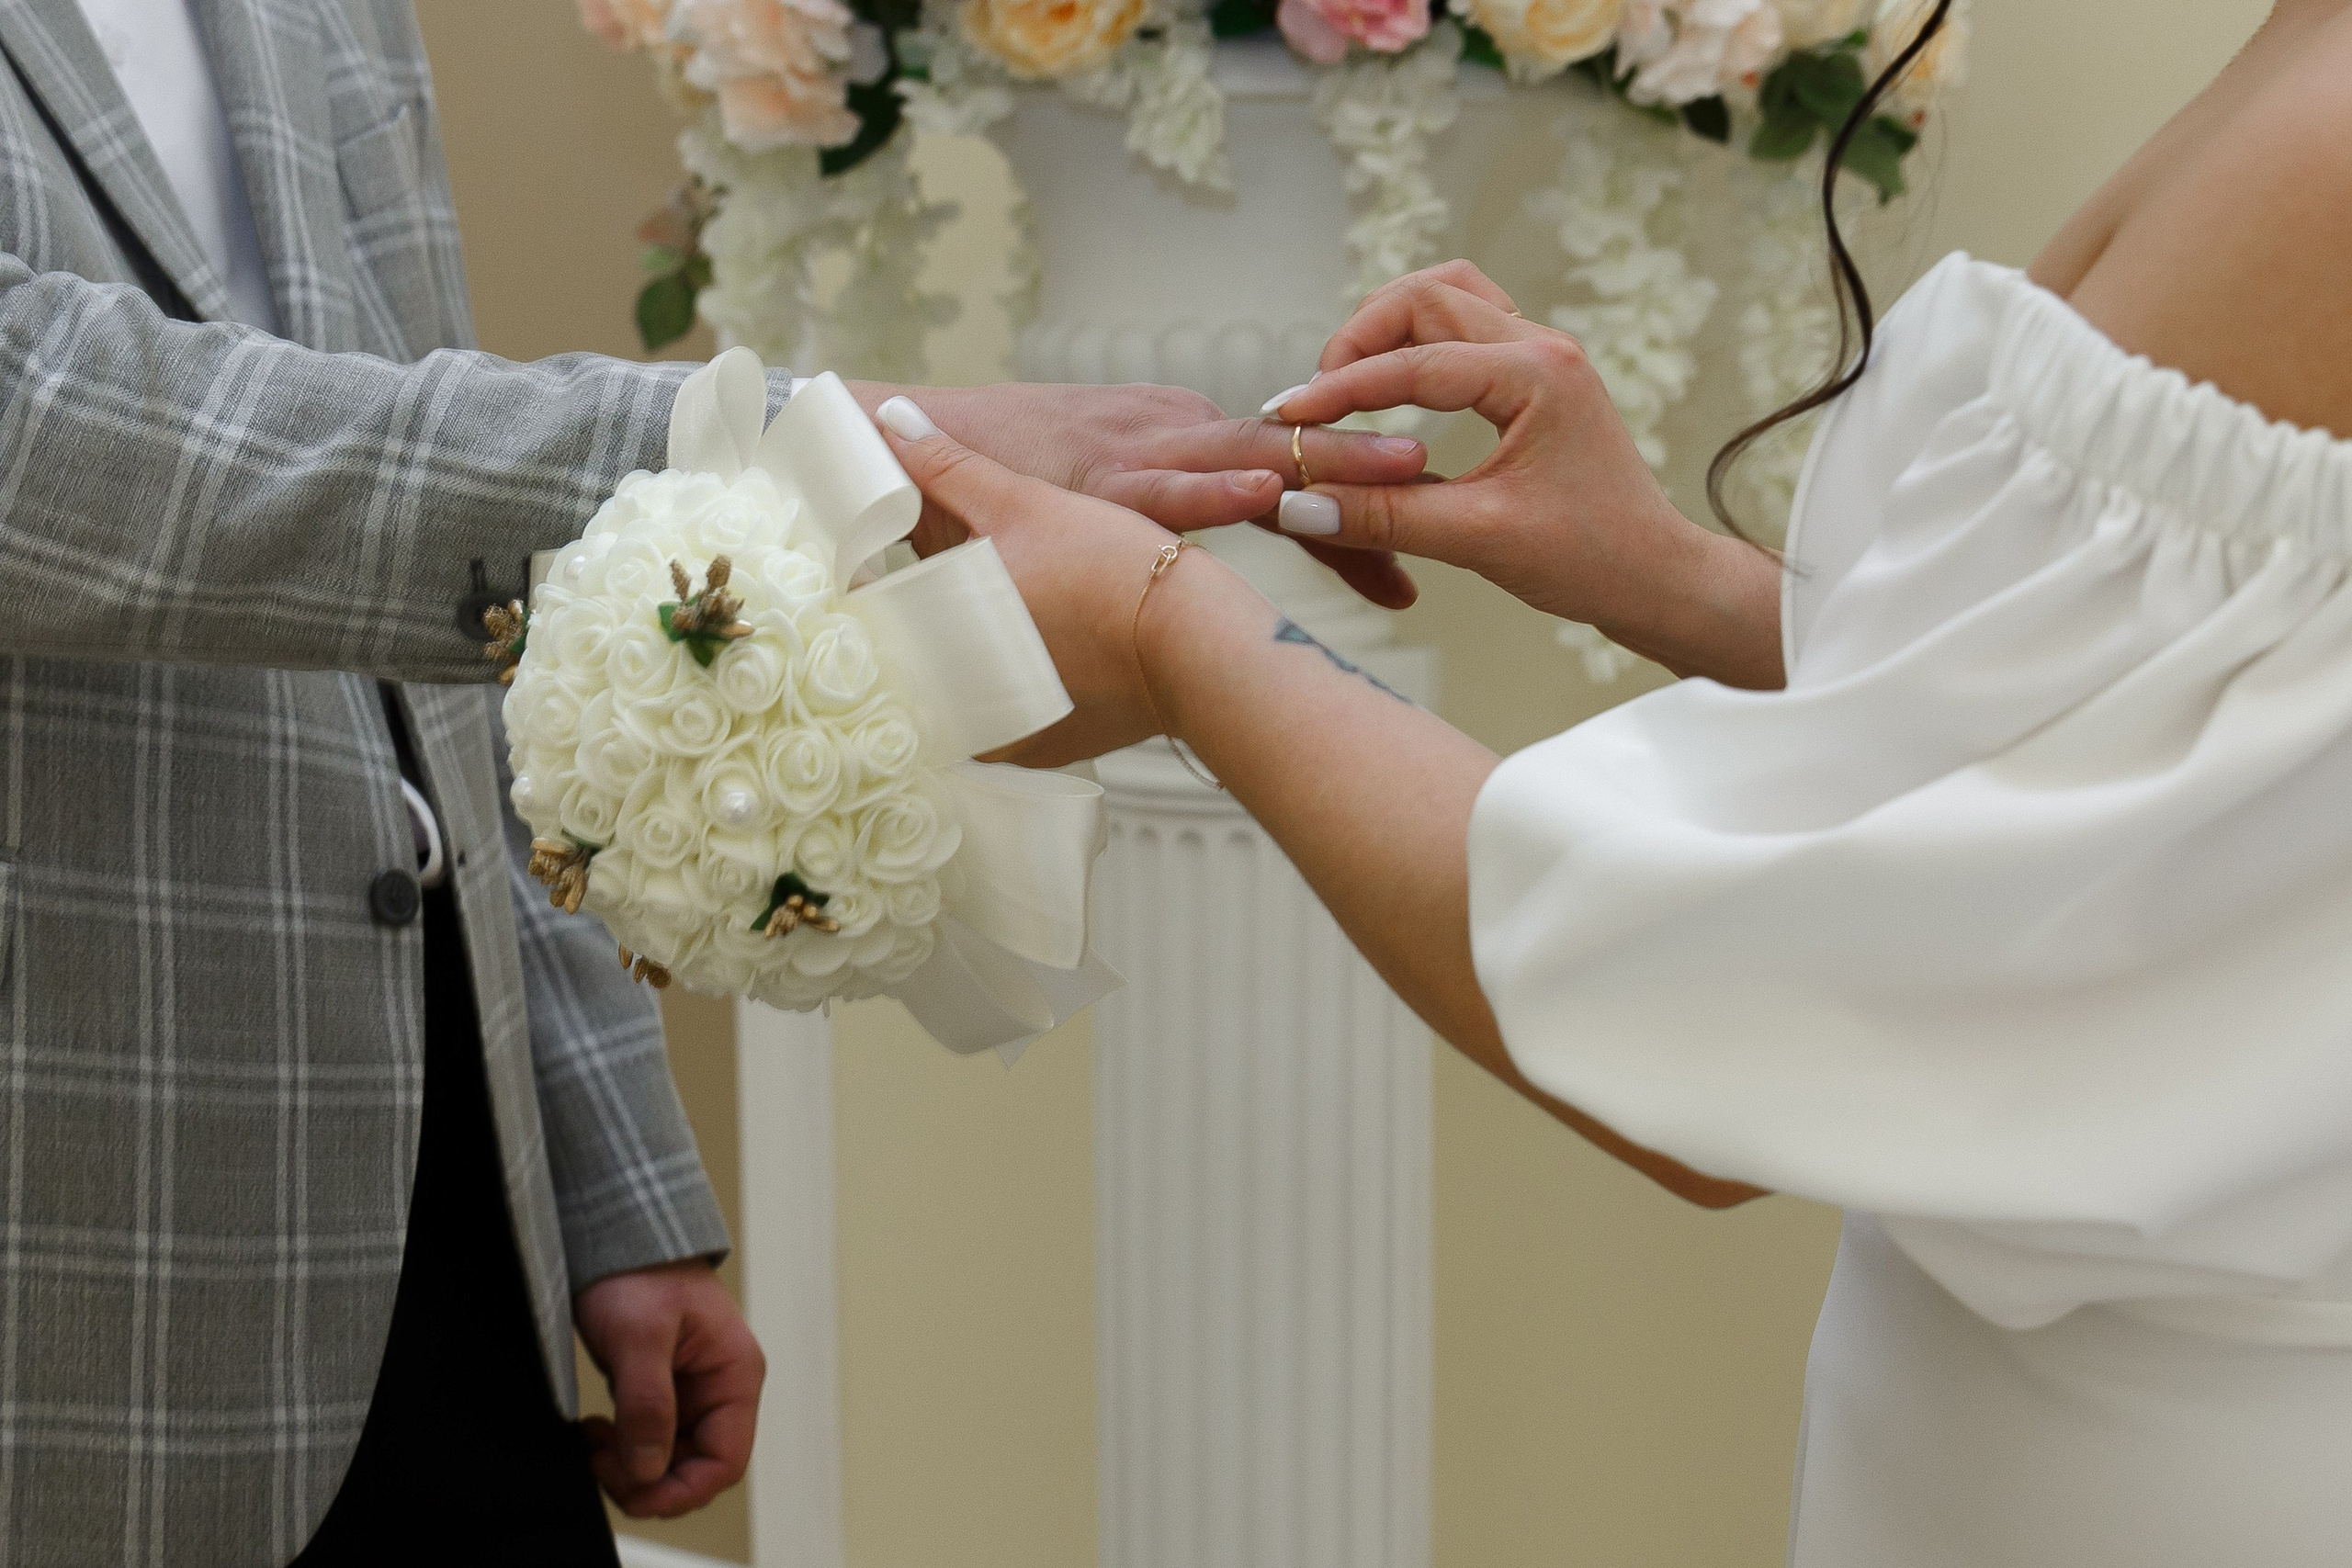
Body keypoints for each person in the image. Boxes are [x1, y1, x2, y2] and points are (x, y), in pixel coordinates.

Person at [871, 0, 2352, 1560]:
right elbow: (2187, 793)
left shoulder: (2319, 160)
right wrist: (1665, 576)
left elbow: (1759, 1009)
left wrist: (1164, 622)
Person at [0, 0, 1428, 1562]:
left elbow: (445, 582)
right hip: (75, 1203)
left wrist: (610, 1182)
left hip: (444, 1191)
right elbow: (44, 433)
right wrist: (817, 461)